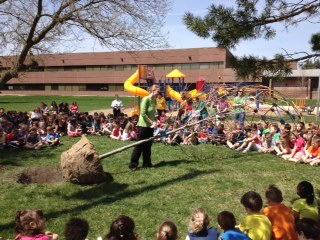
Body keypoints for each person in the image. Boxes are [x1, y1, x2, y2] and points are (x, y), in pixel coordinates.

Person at [129, 85, 160, 171]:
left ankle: (147, 163)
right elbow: (143, 113)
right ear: (153, 91)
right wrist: (151, 122)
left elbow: (154, 114)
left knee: (148, 145)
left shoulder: (154, 101)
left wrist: (156, 120)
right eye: (158, 92)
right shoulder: (146, 99)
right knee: (139, 146)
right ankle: (133, 165)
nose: (159, 93)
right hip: (143, 126)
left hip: (150, 127)